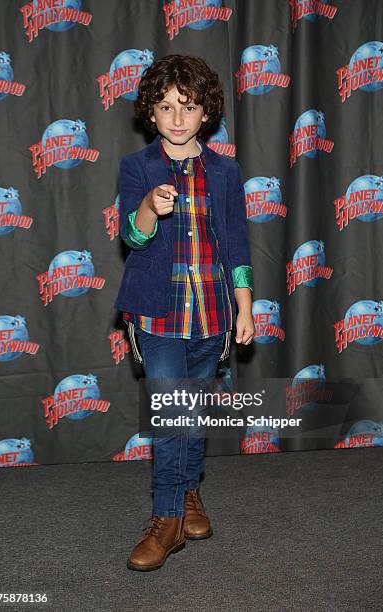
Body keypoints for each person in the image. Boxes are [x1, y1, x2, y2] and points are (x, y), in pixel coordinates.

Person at [114, 54, 254, 571]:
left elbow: (237, 244)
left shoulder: (225, 171)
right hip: (157, 316)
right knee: (172, 414)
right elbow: (131, 237)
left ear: (206, 113)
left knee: (193, 417)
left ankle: (190, 492)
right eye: (167, 106)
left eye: (188, 106)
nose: (177, 117)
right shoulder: (138, 168)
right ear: (150, 111)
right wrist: (149, 205)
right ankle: (167, 519)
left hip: (212, 317)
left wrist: (244, 305)